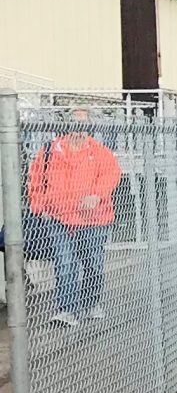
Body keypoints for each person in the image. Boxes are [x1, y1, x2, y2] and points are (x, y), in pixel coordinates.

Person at [26, 106, 120, 326]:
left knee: (93, 263)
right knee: (64, 262)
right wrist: (40, 207)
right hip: (60, 219)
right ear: (67, 126)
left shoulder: (99, 152)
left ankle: (91, 304)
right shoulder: (50, 151)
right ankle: (66, 310)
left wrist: (96, 195)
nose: (79, 131)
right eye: (75, 125)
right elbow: (35, 181)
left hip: (93, 220)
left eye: (83, 126)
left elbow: (111, 175)